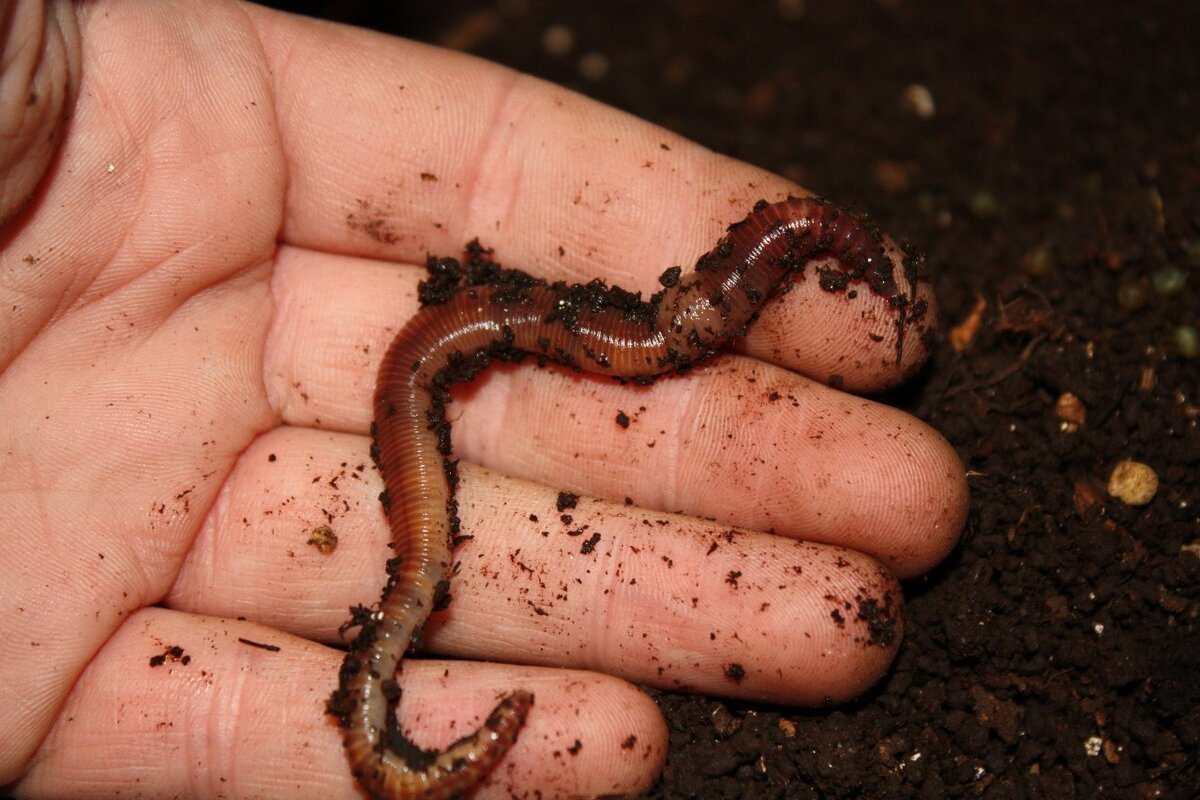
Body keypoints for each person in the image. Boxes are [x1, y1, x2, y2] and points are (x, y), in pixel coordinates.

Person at [0, 2, 967, 797]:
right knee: (439, 541)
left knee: (645, 350)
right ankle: (385, 734)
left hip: (456, 354)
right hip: (439, 359)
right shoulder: (600, 324)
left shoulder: (677, 311)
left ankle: (386, 711)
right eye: (800, 243)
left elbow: (670, 331)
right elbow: (662, 332)